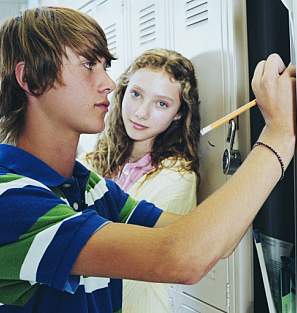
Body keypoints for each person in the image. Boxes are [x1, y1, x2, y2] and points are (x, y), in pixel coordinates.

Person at [0, 6, 296, 313]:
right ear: (29, 78)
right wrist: (278, 134)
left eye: (105, 66)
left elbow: (214, 243)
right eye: (89, 65)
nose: (110, 83)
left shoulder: (90, 187)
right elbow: (182, 257)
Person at [84, 48, 200, 312]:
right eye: (136, 95)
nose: (141, 112)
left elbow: (127, 251)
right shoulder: (89, 163)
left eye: (161, 104)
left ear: (179, 113)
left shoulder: (178, 178)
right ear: (123, 93)